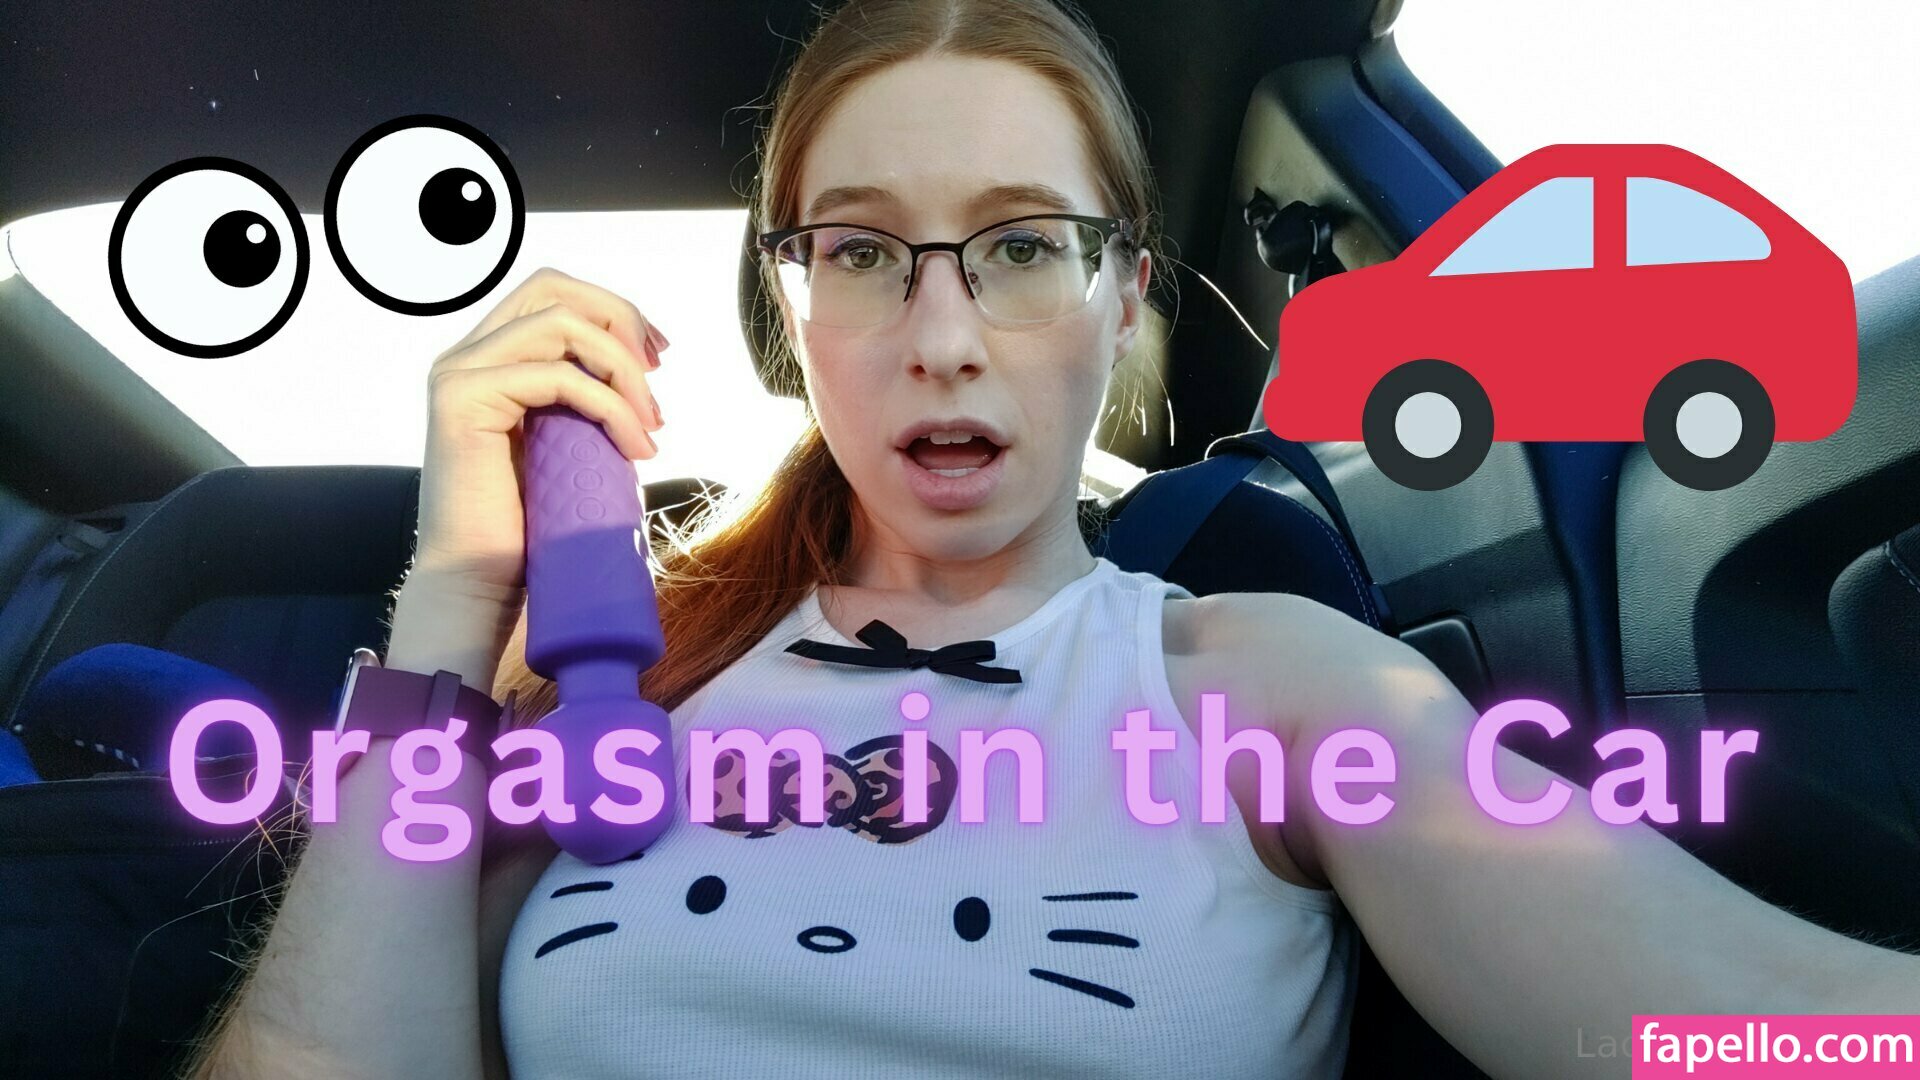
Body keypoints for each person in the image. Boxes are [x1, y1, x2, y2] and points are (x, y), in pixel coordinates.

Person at [185, 1, 1920, 1077]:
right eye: (863, 252)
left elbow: (1716, 1012)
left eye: (1024, 247)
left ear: (1125, 298)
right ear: (795, 312)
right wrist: (453, 604)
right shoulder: (615, 698)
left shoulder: (1267, 684)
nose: (944, 335)